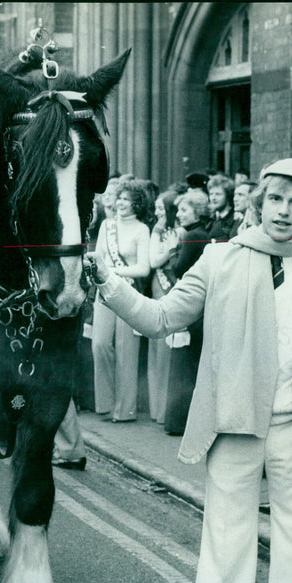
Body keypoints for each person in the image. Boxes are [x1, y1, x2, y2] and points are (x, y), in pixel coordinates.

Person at [84, 157, 292, 583]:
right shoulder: (219, 259)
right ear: (259, 202)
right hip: (234, 423)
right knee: (225, 547)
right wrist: (108, 282)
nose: (283, 210)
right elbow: (161, 317)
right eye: (275, 198)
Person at [91, 179, 151, 422]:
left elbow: (143, 268)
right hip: (104, 291)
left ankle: (124, 410)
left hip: (128, 292)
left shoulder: (141, 230)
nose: (122, 203)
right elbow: (98, 257)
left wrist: (115, 273)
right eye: (120, 198)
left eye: (127, 199)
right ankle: (105, 404)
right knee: (100, 344)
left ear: (137, 204)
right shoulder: (107, 225)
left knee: (127, 351)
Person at [163, 189, 210, 436]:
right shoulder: (200, 234)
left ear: (197, 211)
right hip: (199, 310)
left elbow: (177, 269)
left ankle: (179, 422)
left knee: (184, 367)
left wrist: (173, 249)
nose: (179, 214)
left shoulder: (193, 236)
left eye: (184, 210)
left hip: (191, 310)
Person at [147, 190, 182, 424]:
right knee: (155, 352)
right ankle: (155, 409)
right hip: (156, 288)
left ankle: (164, 411)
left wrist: (157, 231)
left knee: (165, 354)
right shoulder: (162, 231)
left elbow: (155, 261)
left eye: (162, 208)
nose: (158, 212)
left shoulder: (179, 232)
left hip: (169, 289)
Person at [206, 174, 235, 242]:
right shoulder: (210, 219)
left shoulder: (233, 219)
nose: (213, 198)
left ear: (227, 196)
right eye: (211, 194)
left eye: (218, 194)